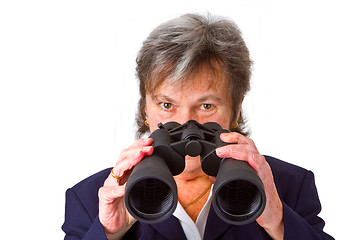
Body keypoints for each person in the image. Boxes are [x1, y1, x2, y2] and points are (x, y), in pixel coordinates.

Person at [62, 13, 334, 240]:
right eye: (167, 105)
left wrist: (279, 222)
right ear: (145, 108)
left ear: (236, 109)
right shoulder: (92, 199)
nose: (185, 123)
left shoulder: (287, 186)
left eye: (206, 106)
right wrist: (107, 232)